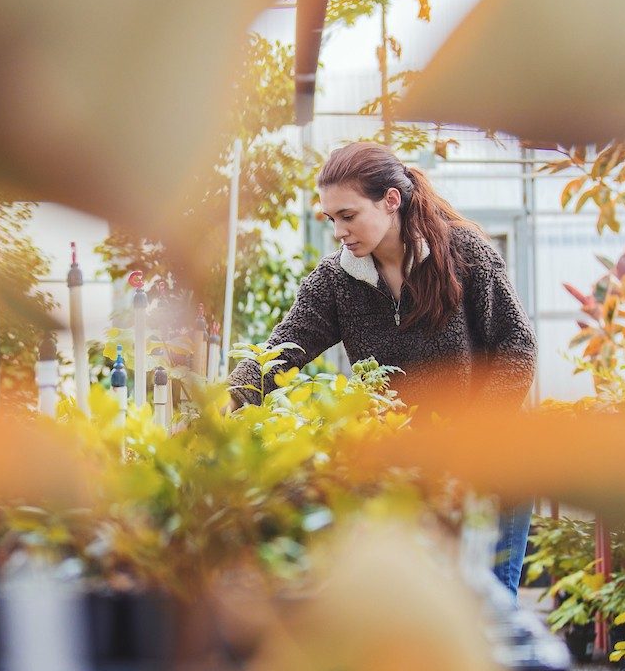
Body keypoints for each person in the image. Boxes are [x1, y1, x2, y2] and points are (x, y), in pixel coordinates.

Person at [227, 141, 537, 595]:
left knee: (486, 612)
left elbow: (518, 347)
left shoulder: (463, 253)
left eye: (348, 216)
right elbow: (281, 351)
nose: (338, 231)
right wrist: (229, 396)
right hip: (411, 478)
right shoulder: (336, 281)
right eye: (331, 219)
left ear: (391, 200)